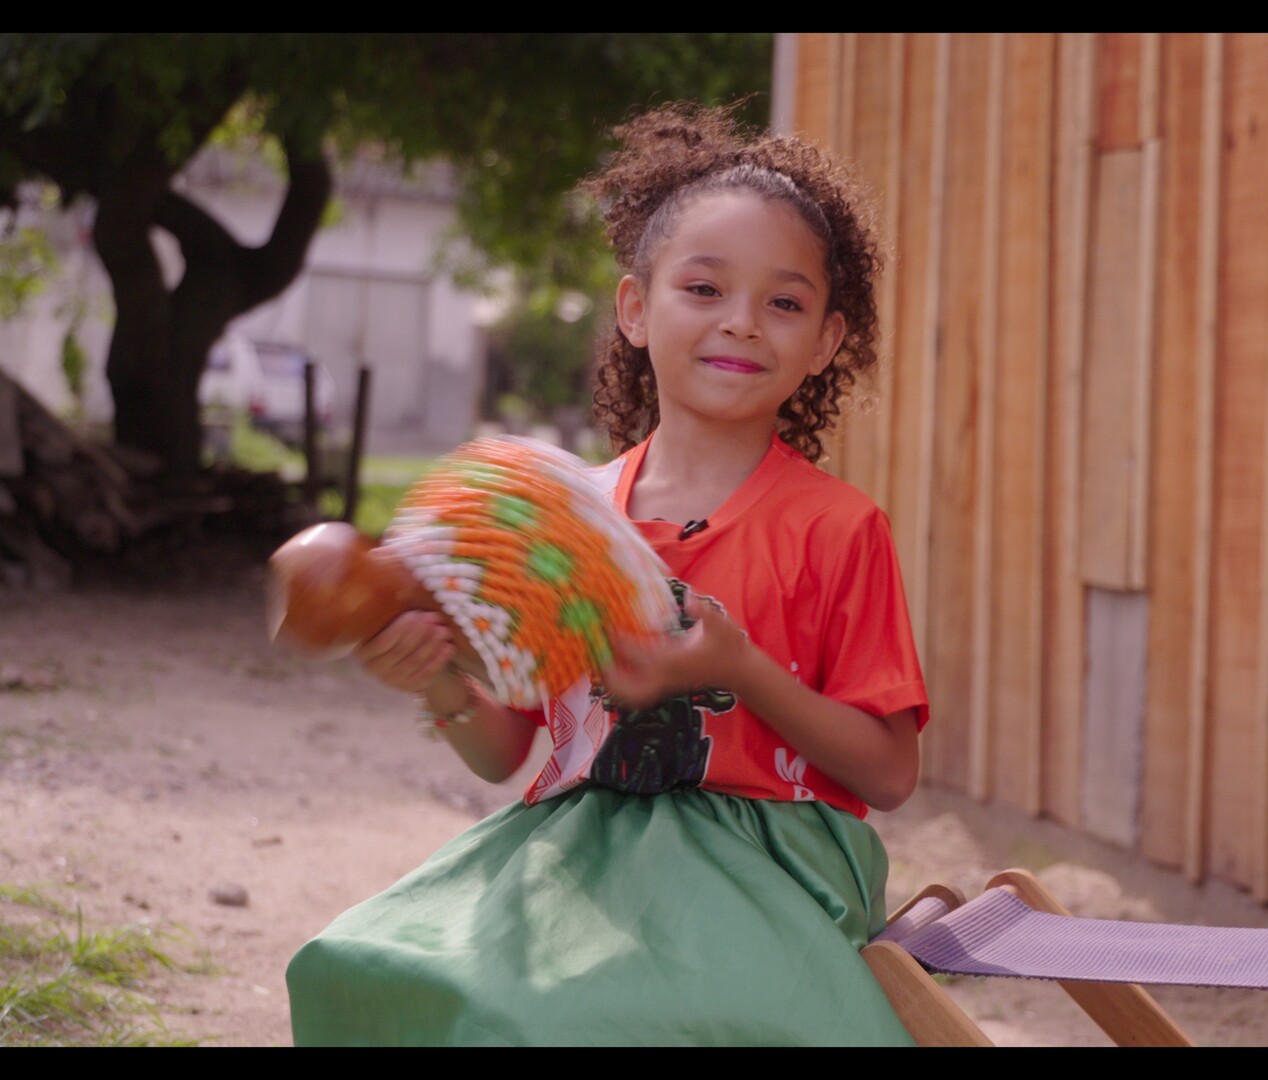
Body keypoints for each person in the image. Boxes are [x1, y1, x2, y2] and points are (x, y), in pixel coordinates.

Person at [284, 102, 927, 1047]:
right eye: (703, 289)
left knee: (576, 1017)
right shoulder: (557, 518)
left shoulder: (838, 528)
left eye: (784, 303)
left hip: (769, 868)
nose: (742, 322)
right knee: (368, 961)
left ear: (826, 341)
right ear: (635, 309)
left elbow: (889, 771)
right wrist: (442, 679)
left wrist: (741, 669)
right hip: (575, 851)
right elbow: (509, 751)